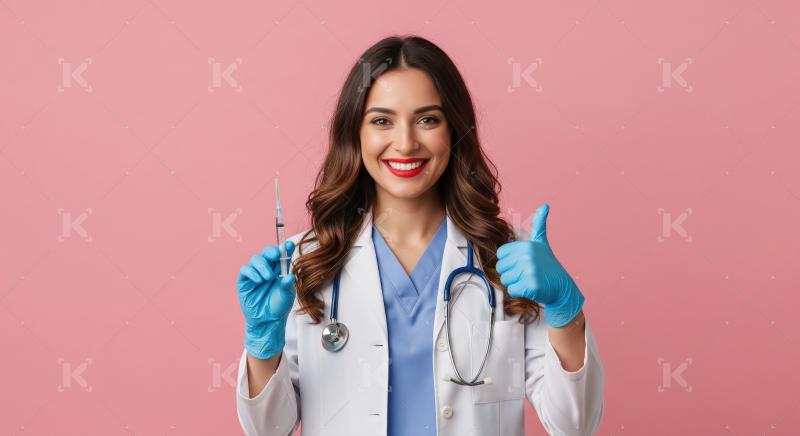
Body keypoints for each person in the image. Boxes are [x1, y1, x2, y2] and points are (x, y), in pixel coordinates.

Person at [234, 35, 605, 436]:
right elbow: (268, 430)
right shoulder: (307, 261)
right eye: (381, 121)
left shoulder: (507, 259)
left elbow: (575, 424)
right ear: (354, 134)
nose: (406, 143)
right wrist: (262, 346)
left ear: (454, 130)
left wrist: (566, 311)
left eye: (428, 119)